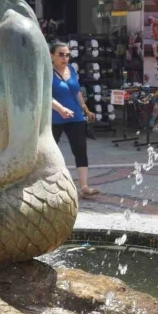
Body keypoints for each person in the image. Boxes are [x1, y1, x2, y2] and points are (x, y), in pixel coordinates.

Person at [50, 42, 100, 198]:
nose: (65, 58)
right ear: (52, 55)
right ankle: (49, 185)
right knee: (50, 152)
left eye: (67, 55)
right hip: (55, 117)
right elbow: (45, 95)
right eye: (61, 54)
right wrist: (61, 109)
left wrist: (86, 109)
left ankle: (84, 187)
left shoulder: (71, 70)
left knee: (80, 150)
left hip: (76, 117)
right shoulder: (46, 73)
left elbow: (77, 92)